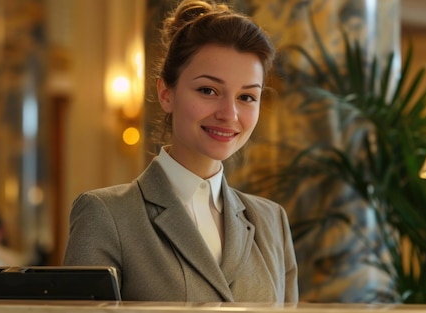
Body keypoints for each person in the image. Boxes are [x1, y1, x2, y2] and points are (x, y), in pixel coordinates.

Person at [63, 0, 298, 303]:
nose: (229, 114)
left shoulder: (271, 221)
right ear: (166, 94)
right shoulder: (106, 215)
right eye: (208, 91)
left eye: (247, 97)